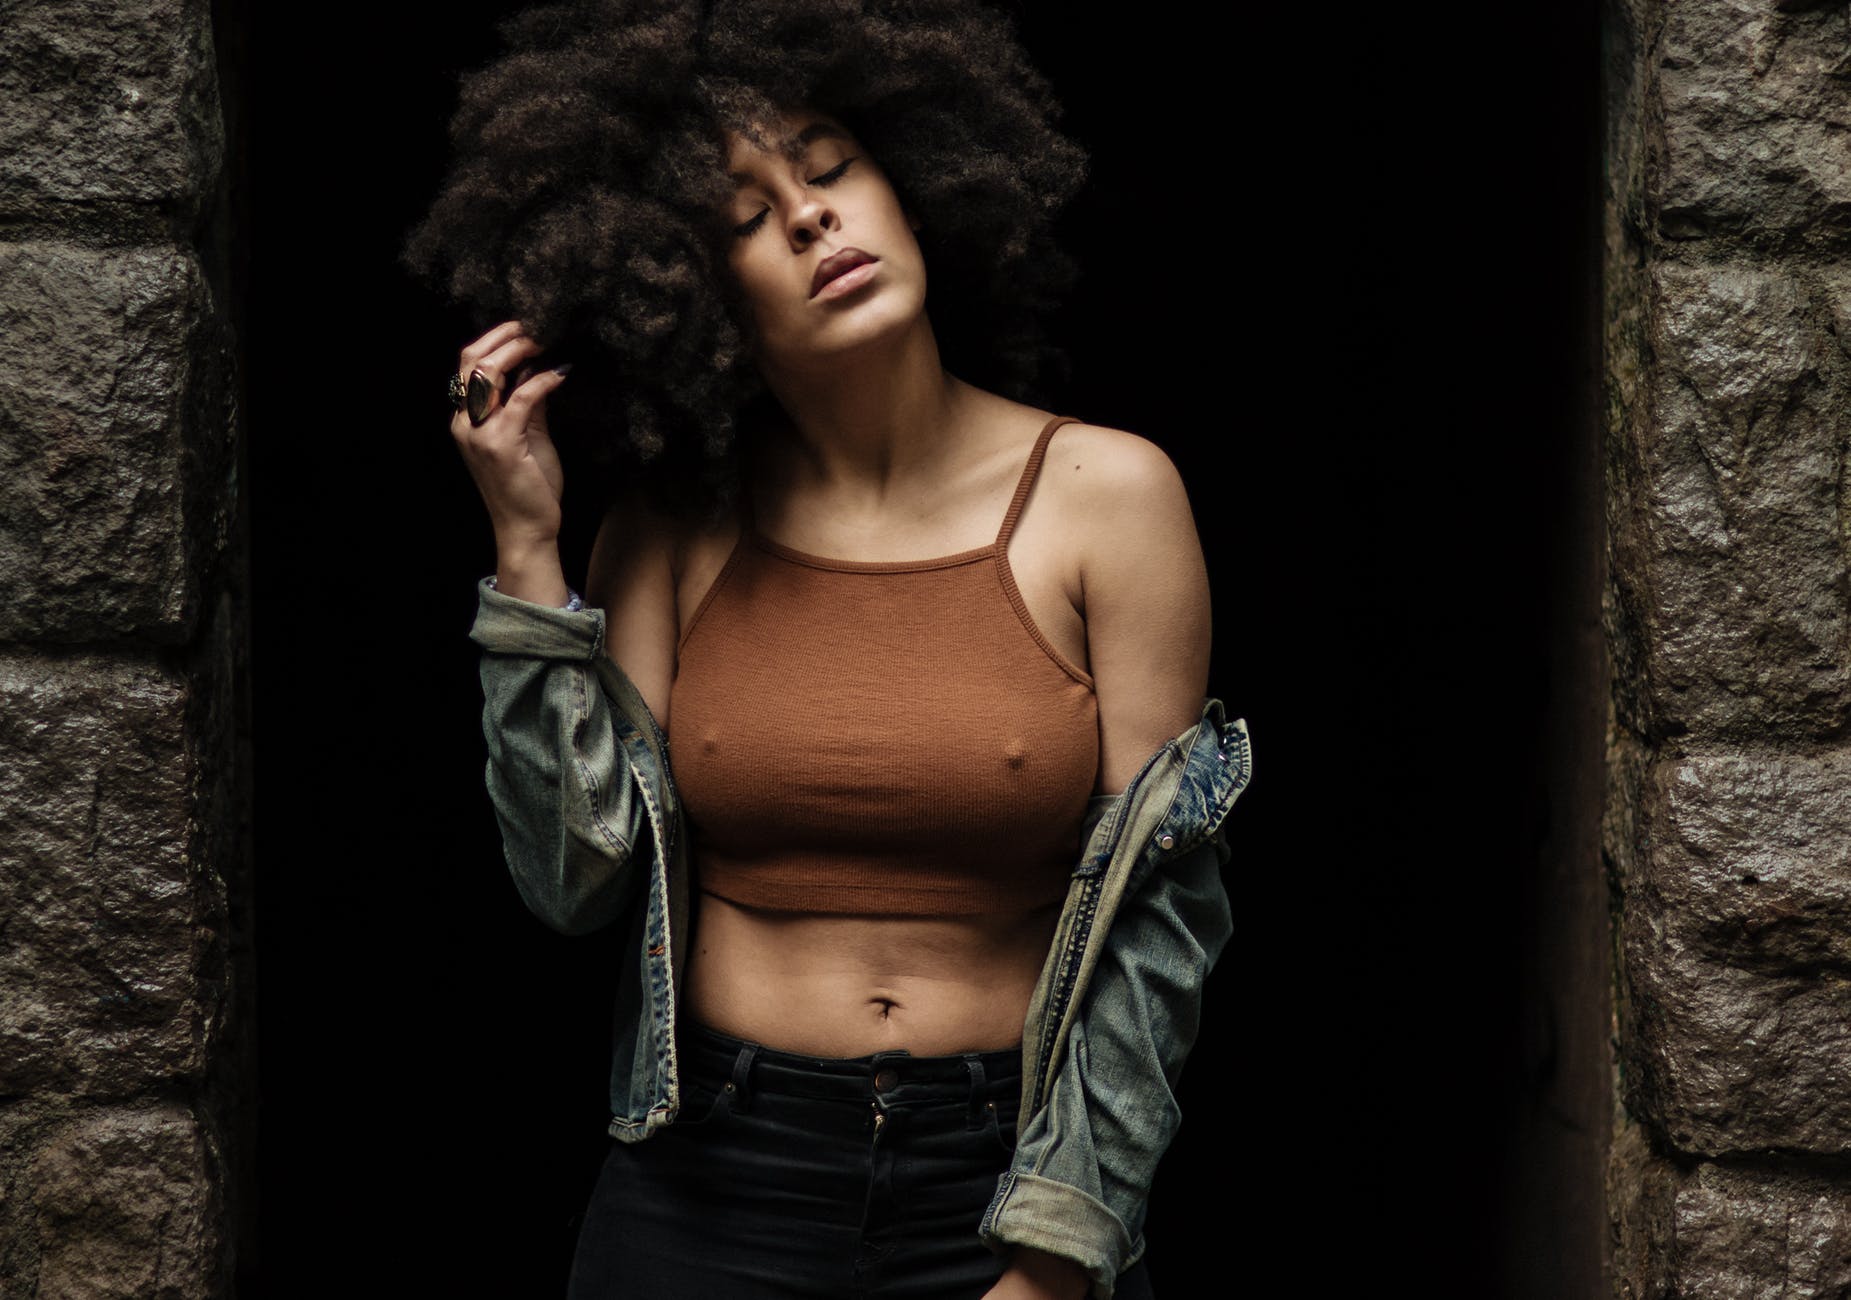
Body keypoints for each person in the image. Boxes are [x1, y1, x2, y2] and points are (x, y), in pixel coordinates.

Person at [403, 2, 1252, 1296]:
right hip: (706, 1181)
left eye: (828, 164)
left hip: (1008, 1177)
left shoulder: (1108, 497)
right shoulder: (674, 534)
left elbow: (1163, 917)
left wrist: (1059, 1253)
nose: (807, 218)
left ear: (910, 183)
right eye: (743, 218)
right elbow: (575, 875)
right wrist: (528, 556)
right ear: (683, 290)